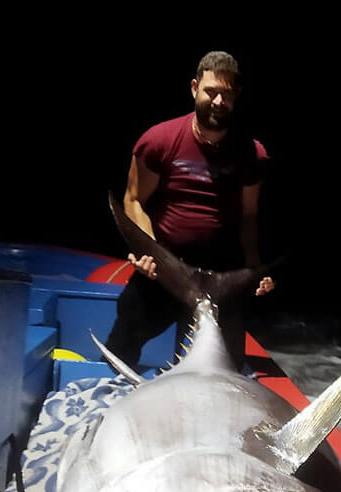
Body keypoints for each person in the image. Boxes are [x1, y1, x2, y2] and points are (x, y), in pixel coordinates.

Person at [104, 50, 275, 369]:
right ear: (195, 88)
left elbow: (248, 218)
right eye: (212, 91)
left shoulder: (253, 154)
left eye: (227, 94)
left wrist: (255, 269)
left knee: (224, 372)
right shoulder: (158, 141)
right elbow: (133, 199)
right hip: (166, 269)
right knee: (121, 346)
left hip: (219, 278)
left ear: (237, 96)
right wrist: (149, 254)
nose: (219, 101)